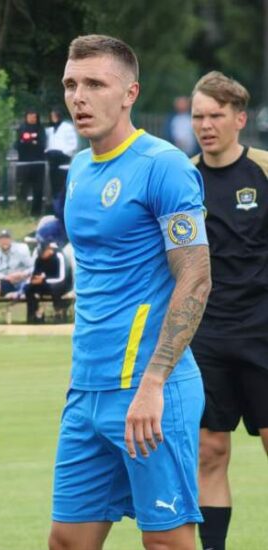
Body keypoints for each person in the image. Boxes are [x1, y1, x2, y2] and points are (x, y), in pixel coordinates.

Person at [48, 35, 212, 550]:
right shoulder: (78, 168)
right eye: (71, 84)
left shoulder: (164, 165)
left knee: (166, 542)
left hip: (150, 390)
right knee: (67, 540)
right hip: (87, 390)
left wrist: (154, 382)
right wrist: (82, 381)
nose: (79, 97)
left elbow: (196, 277)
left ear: (129, 93)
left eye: (95, 84)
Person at [189, 71, 268, 550]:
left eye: (216, 115)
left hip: (263, 332)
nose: (206, 125)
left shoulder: (263, 170)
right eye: (198, 116)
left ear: (239, 119)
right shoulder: (182, 177)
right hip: (206, 336)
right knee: (210, 451)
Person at [19, 241, 71, 324]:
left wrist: (44, 280)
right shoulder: (39, 259)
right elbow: (35, 274)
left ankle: (58, 312)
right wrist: (34, 280)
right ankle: (34, 314)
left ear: (49, 249)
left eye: (43, 253)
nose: (42, 255)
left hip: (62, 284)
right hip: (44, 283)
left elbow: (62, 278)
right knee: (29, 289)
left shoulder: (59, 256)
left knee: (53, 288)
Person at [15, 110, 47, 216]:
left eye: (34, 117)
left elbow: (42, 144)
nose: (32, 119)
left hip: (38, 163)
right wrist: (30, 142)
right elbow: (18, 144)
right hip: (24, 163)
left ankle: (36, 212)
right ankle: (21, 212)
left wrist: (31, 142)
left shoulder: (40, 129)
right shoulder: (21, 128)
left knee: (38, 189)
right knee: (22, 188)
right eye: (30, 116)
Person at [45, 107, 78, 206]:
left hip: (63, 158)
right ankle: (55, 205)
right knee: (53, 184)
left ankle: (63, 205)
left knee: (63, 185)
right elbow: (47, 144)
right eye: (52, 116)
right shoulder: (49, 129)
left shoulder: (67, 127)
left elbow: (73, 144)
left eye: (55, 115)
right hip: (52, 159)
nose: (53, 118)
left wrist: (64, 152)